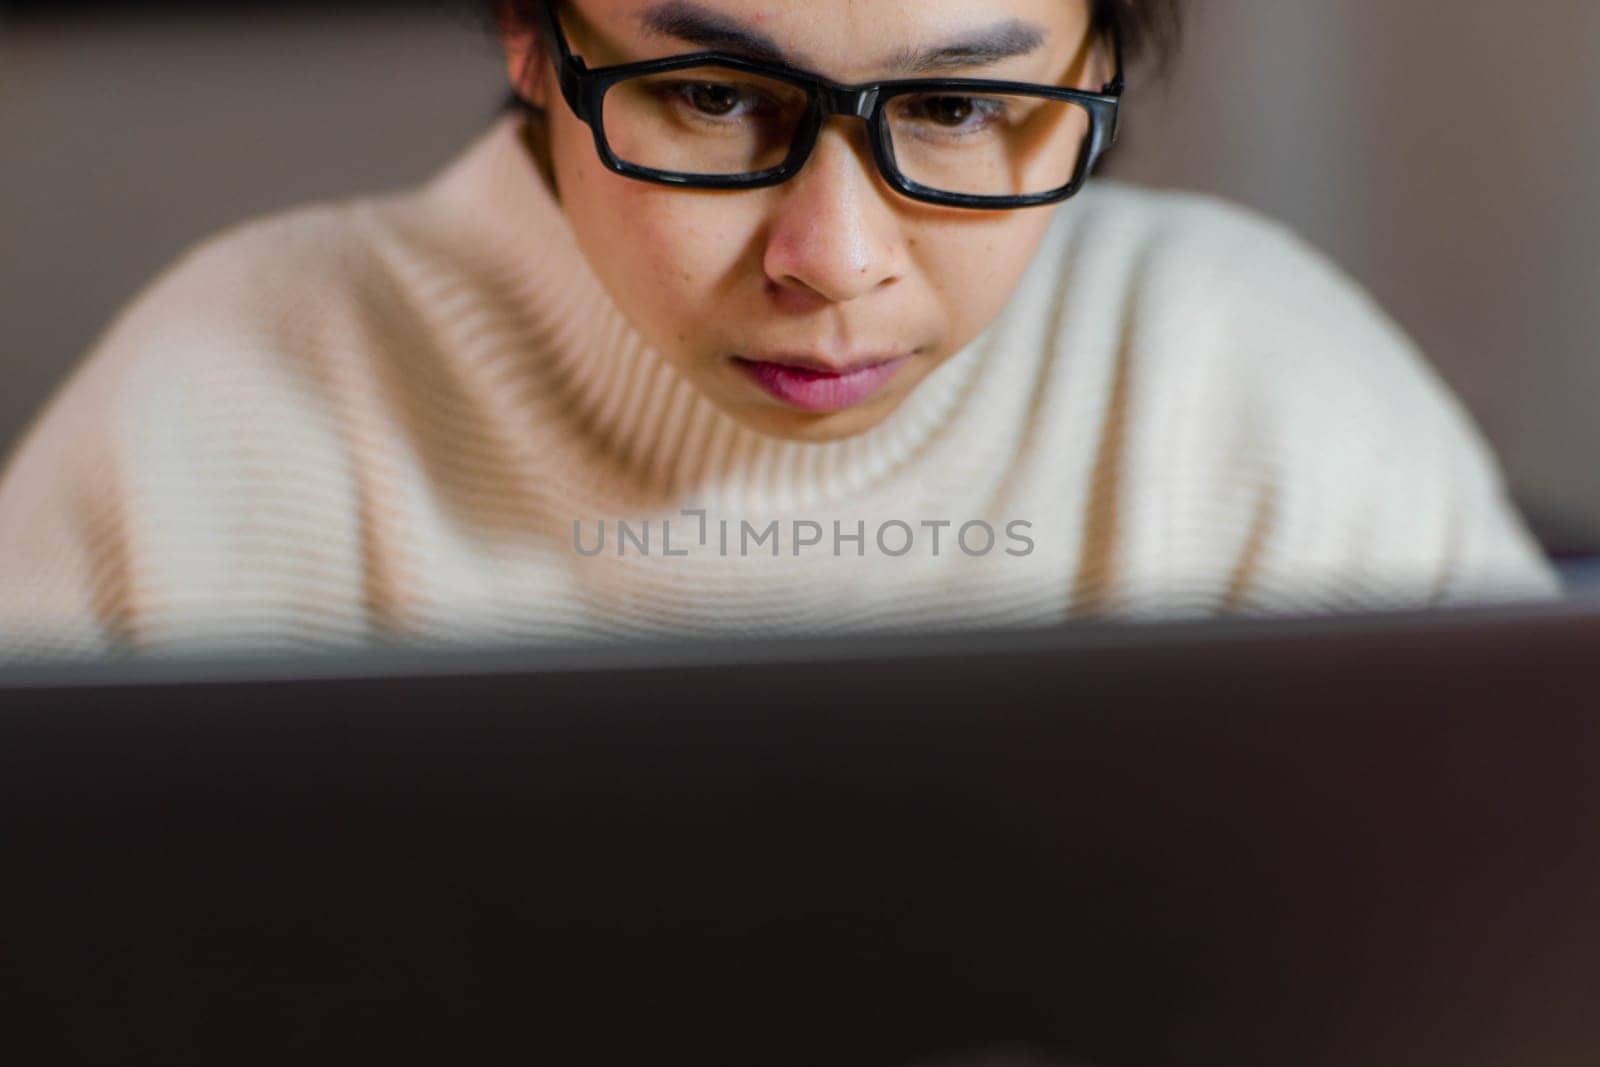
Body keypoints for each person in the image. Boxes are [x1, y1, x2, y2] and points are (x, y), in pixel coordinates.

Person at [0, 0, 1561, 663]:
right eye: (716, 95)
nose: (834, 260)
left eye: (956, 107)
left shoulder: (1263, 391)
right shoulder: (224, 406)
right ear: (532, 39)